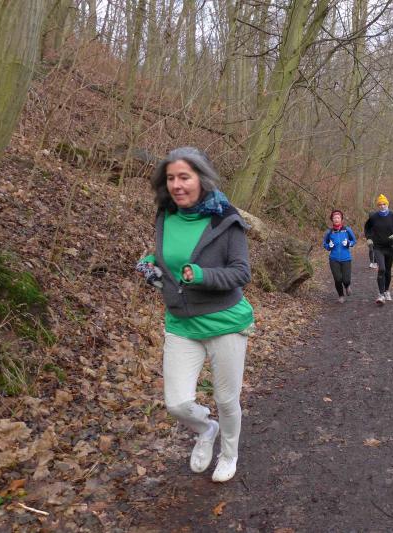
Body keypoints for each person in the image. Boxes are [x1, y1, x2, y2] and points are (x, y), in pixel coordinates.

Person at [137, 146, 253, 483]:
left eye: (184, 177)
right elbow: (169, 260)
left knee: (226, 400)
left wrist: (202, 275)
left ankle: (229, 455)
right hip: (180, 322)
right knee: (176, 403)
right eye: (171, 178)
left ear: (202, 179)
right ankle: (206, 429)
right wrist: (153, 267)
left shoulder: (226, 220)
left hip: (224, 322)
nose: (177, 185)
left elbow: (241, 273)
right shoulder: (165, 215)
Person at [364, 194, 393, 305]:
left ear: (387, 204)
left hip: (390, 247)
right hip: (378, 247)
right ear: (378, 206)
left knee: (388, 270)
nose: (382, 206)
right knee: (381, 269)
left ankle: (386, 291)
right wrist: (369, 238)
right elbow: (367, 229)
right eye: (380, 204)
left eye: (384, 204)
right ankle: (381, 295)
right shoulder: (374, 217)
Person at [323, 209, 356, 303]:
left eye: (338, 218)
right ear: (332, 220)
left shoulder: (347, 230)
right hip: (334, 259)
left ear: (341, 219)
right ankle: (341, 296)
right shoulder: (329, 232)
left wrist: (349, 243)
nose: (336, 219)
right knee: (337, 279)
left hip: (346, 258)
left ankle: (347, 286)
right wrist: (329, 246)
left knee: (346, 279)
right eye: (335, 218)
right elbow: (325, 243)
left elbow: (354, 241)